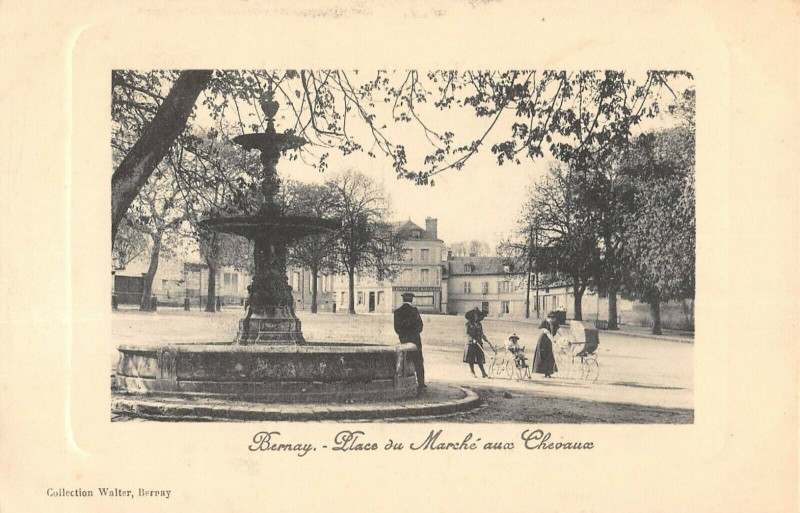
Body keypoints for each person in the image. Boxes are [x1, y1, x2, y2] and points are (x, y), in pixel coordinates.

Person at [393, 292, 425, 389]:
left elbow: (396, 328)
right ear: (411, 299)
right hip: (415, 340)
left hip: (403, 340)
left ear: (403, 300)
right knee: (418, 361)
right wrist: (413, 334)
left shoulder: (397, 311)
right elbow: (420, 326)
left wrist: (403, 336)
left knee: (403, 361)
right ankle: (421, 383)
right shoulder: (414, 311)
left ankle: (402, 383)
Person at [463, 307, 494, 378]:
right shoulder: (468, 324)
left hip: (479, 342)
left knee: (480, 358)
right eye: (474, 315)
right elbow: (467, 333)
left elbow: (481, 333)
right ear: (472, 316)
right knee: (471, 359)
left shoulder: (479, 324)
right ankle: (472, 372)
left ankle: (483, 373)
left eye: (477, 315)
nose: (476, 317)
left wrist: (485, 338)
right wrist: (472, 339)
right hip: (471, 343)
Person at [532, 312, 559, 378]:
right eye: (552, 319)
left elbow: (559, 330)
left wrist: (563, 338)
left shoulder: (554, 323)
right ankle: (545, 372)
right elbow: (547, 333)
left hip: (549, 341)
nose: (553, 321)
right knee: (543, 356)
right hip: (543, 341)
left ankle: (548, 373)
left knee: (549, 356)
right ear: (550, 318)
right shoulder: (544, 323)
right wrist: (553, 340)